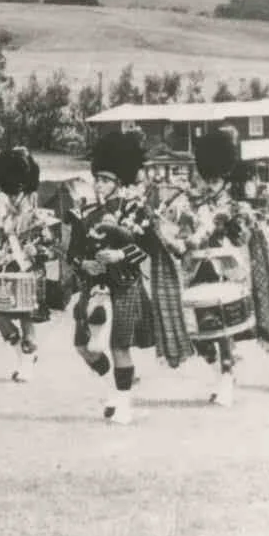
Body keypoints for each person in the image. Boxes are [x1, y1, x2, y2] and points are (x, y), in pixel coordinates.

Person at [65, 131, 189, 425]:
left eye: (106, 180)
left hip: (124, 285)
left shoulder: (135, 209)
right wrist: (86, 264)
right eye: (98, 179)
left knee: (120, 346)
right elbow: (72, 254)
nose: (100, 184)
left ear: (119, 182)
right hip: (94, 286)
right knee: (83, 346)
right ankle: (114, 387)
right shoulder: (86, 212)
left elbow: (146, 250)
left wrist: (120, 256)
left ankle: (123, 404)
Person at [161, 127, 269, 407]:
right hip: (197, 271)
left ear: (225, 177)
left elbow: (245, 238)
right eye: (208, 178)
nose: (210, 183)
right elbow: (179, 235)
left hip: (226, 271)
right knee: (200, 334)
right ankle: (220, 371)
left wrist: (227, 224)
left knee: (224, 328)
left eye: (215, 179)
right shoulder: (189, 202)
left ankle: (227, 376)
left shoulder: (237, 206)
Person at [0, 147, 59, 382]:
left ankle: (27, 362)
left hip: (28, 272)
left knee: (26, 321)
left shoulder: (38, 216)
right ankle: (22, 356)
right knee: (1, 317)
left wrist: (38, 251)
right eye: (9, 192)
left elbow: (53, 250)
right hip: (5, 271)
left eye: (16, 193)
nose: (12, 197)